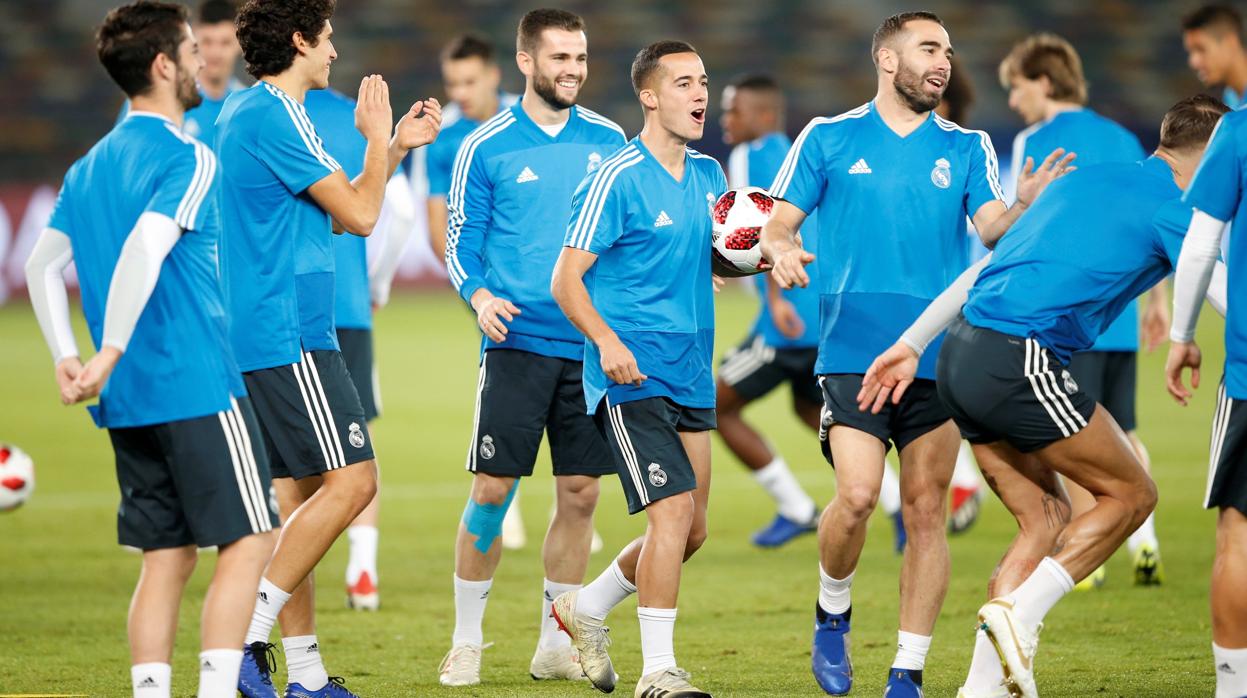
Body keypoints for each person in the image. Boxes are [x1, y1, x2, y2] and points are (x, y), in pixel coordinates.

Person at [858, 95, 1228, 698]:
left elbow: (983, 270)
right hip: (1018, 357)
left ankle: (980, 688)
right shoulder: (1178, 208)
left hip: (958, 352)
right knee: (1132, 493)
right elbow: (1225, 300)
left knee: (1046, 519)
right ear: (1212, 156)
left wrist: (910, 343)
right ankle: (1020, 613)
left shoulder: (1078, 183)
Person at [761, 11, 1073, 696]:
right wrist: (780, 253)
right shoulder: (828, 137)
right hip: (848, 351)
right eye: (928, 48)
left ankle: (906, 671)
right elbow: (776, 226)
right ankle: (832, 611)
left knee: (925, 508)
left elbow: (992, 230)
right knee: (857, 496)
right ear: (885, 58)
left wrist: (1023, 207)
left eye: (947, 51)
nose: (942, 62)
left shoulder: (966, 147)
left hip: (935, 352)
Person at [25, 3, 277, 695]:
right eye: (194, 48)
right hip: (195, 384)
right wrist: (103, 350)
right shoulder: (188, 154)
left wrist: (64, 354)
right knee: (252, 539)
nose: (205, 60)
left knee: (165, 559)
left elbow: (40, 267)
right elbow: (147, 244)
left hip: (130, 399)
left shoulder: (88, 166)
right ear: (165, 64)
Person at [216, 1, 440, 695]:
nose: (336, 51)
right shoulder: (270, 116)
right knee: (355, 482)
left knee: (307, 497)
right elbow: (365, 216)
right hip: (288, 333)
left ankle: (305, 674)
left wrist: (394, 147)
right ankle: (244, 638)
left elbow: (337, 210)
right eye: (329, 37)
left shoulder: (264, 114)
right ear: (298, 40)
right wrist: (376, 138)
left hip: (285, 327)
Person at [438, 8, 626, 687]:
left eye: (579, 58)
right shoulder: (483, 146)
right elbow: (460, 240)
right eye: (559, 59)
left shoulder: (610, 140)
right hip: (514, 343)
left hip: (586, 345)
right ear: (526, 62)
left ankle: (555, 642)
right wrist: (480, 297)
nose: (573, 70)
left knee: (579, 494)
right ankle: (465, 641)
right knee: (492, 490)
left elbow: (625, 234)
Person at [550, 39, 725, 698]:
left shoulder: (708, 175)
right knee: (672, 516)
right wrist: (605, 341)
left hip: (691, 368)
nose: (699, 94)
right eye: (683, 83)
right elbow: (565, 280)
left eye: (703, 82)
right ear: (649, 96)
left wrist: (765, 259)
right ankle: (658, 672)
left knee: (693, 532)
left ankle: (585, 608)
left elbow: (717, 258)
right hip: (630, 373)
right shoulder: (615, 175)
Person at [1000, 32, 1168, 588]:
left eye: (1017, 86)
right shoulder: (1122, 137)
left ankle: (1082, 552)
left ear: (1043, 82)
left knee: (1068, 435)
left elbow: (1023, 229)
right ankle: (1145, 540)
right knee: (1124, 429)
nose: (1013, 100)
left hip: (1067, 317)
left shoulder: (1035, 141)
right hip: (1120, 311)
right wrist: (1157, 301)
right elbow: (1151, 219)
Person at [305, 85, 417, 613]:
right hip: (347, 306)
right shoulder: (355, 113)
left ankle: (280, 569)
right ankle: (363, 569)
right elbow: (400, 210)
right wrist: (379, 284)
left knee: (283, 452)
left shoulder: (250, 111)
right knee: (357, 441)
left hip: (278, 309)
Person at [714, 73, 822, 548]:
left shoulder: (747, 157)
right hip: (823, 310)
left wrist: (775, 302)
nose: (724, 120)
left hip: (785, 319)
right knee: (815, 412)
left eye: (732, 111)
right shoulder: (806, 155)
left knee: (716, 406)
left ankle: (797, 508)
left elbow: (757, 231)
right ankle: (899, 506)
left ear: (760, 116)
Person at [1165, 103, 1247, 698]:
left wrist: (1182, 336)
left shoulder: (1237, 130)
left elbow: (1198, 248)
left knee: (1238, 533)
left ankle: (1233, 688)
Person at [116, 0, 245, 145]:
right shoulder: (154, 97)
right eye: (207, 42)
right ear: (194, 39)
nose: (215, 53)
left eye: (225, 43)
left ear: (240, 43)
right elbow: (124, 155)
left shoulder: (246, 107)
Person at [1183, 5, 1247, 110]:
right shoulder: (1229, 99)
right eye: (1191, 52)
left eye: (1200, 49)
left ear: (1230, 43)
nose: (1193, 62)